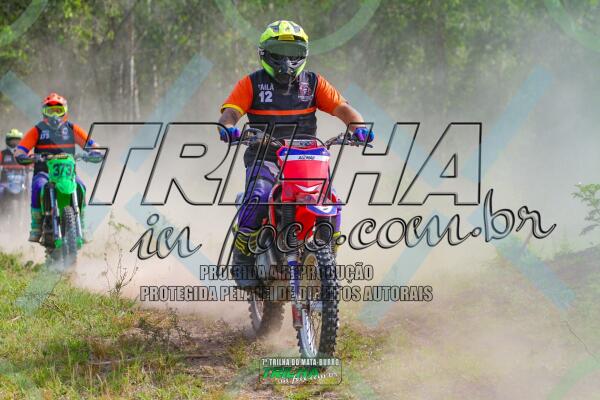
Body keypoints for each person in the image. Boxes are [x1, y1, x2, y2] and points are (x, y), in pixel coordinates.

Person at [218, 20, 374, 288]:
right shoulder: (251, 84)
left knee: (331, 200)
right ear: (265, 53)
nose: (287, 61)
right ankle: (242, 256)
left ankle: (327, 255)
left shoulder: (313, 83)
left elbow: (343, 109)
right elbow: (230, 113)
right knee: (258, 197)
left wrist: (358, 128)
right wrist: (228, 128)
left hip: (305, 158)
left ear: (304, 54)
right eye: (279, 52)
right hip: (264, 157)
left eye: (293, 54)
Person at [14, 92, 102, 242]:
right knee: (37, 186)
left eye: (58, 110)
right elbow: (20, 149)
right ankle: (36, 226)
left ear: (64, 111)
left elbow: (93, 144)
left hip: (68, 174)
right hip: (44, 172)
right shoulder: (38, 130)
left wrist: (94, 152)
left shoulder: (72, 129)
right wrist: (24, 156)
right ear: (44, 112)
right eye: (50, 111)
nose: (54, 115)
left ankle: (82, 224)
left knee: (81, 186)